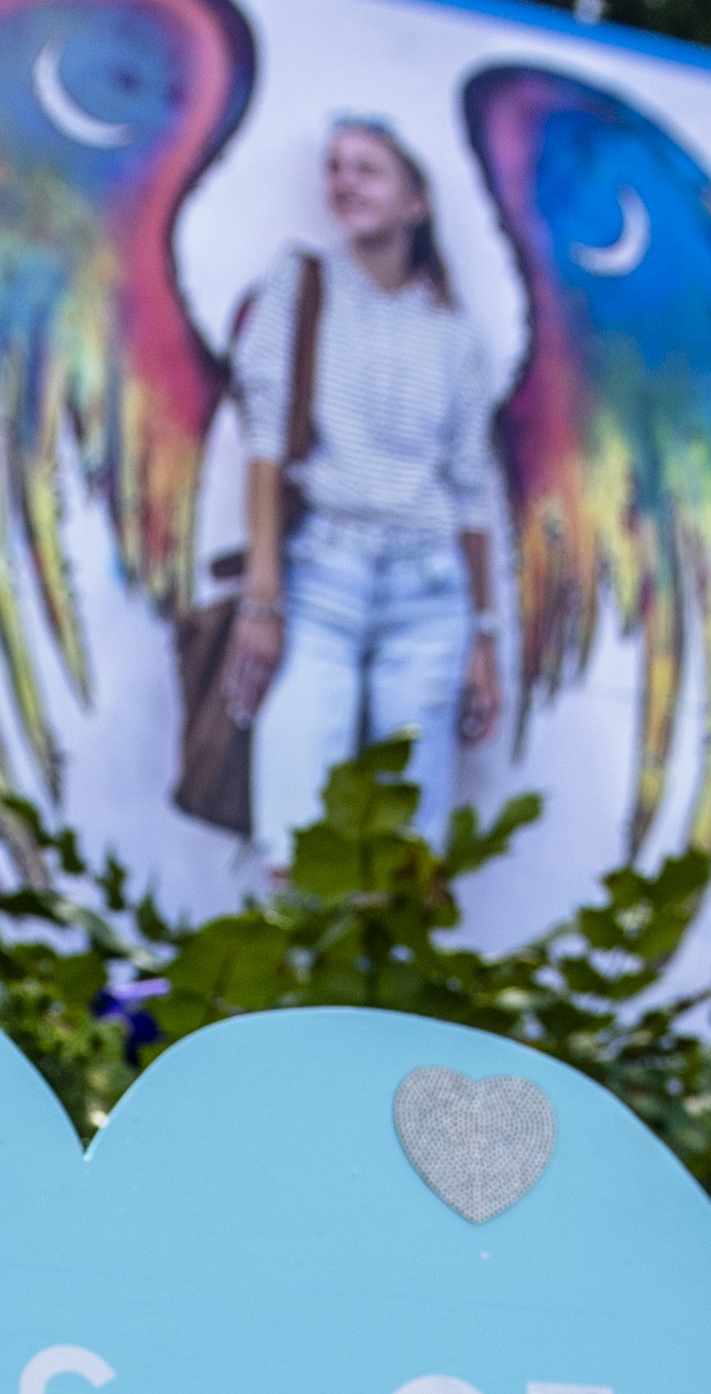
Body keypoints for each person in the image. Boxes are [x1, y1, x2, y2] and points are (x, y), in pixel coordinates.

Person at [221, 115, 505, 862]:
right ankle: (291, 980)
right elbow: (265, 438)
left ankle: (385, 978)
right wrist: (262, 592)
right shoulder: (303, 282)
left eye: (368, 169)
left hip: (430, 591)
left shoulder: (454, 334)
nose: (345, 182)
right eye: (336, 168)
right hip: (322, 576)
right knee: (291, 832)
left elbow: (471, 492)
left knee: (409, 850)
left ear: (416, 202)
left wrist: (484, 633)